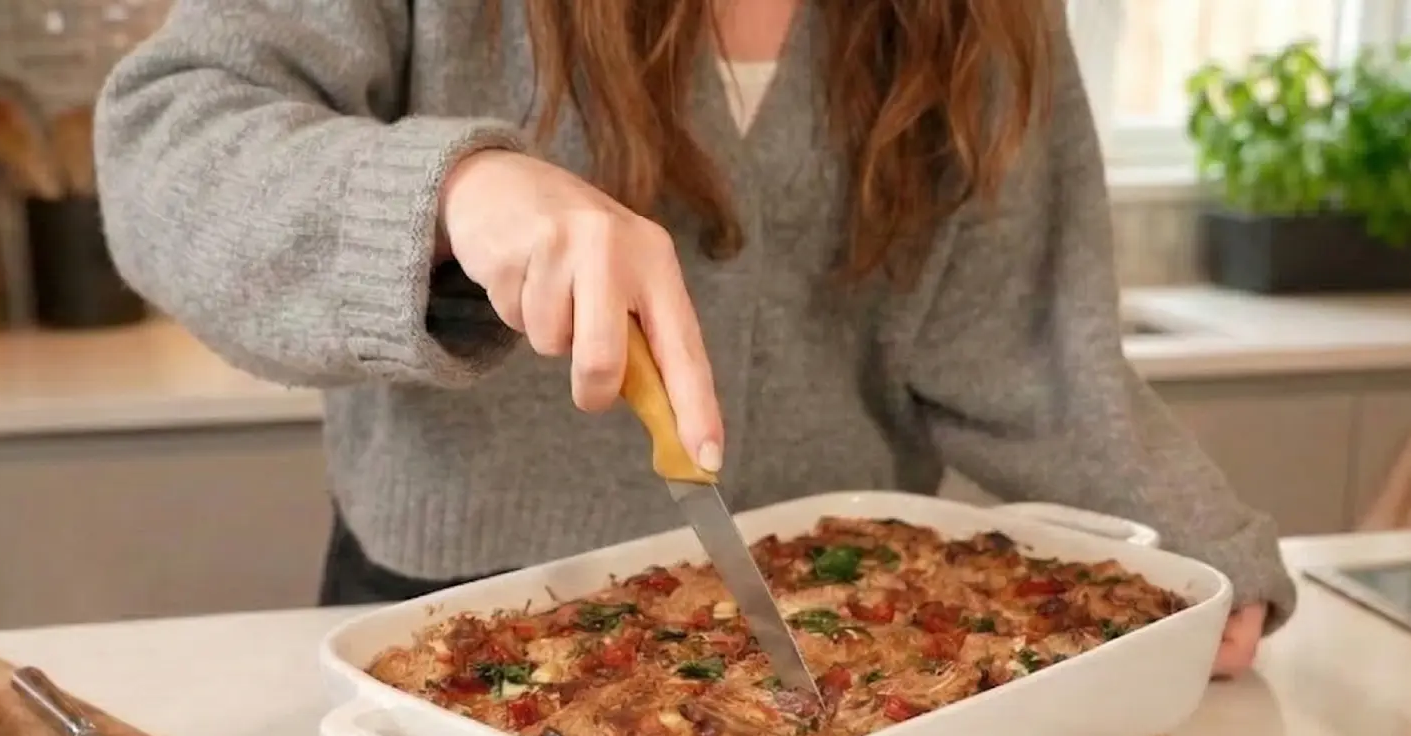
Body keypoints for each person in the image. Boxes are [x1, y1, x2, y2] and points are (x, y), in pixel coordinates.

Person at [94, 0, 1296, 676]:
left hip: (847, 641)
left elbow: (1025, 355)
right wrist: (459, 196)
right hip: (448, 627)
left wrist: (1195, 558)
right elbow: (166, 145)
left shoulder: (987, 22)